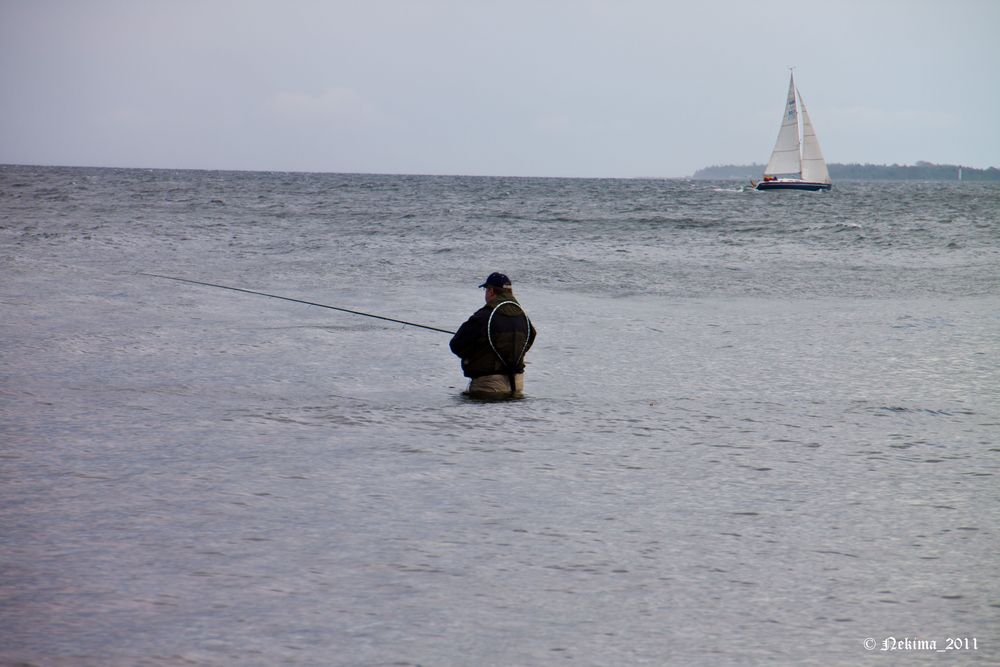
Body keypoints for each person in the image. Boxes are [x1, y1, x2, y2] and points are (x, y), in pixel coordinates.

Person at [450, 272, 537, 398]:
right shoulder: (522, 316)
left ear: (491, 291)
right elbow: (530, 336)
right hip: (518, 382)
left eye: (486, 289)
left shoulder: (483, 317)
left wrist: (474, 355)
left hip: (489, 384)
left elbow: (456, 345)